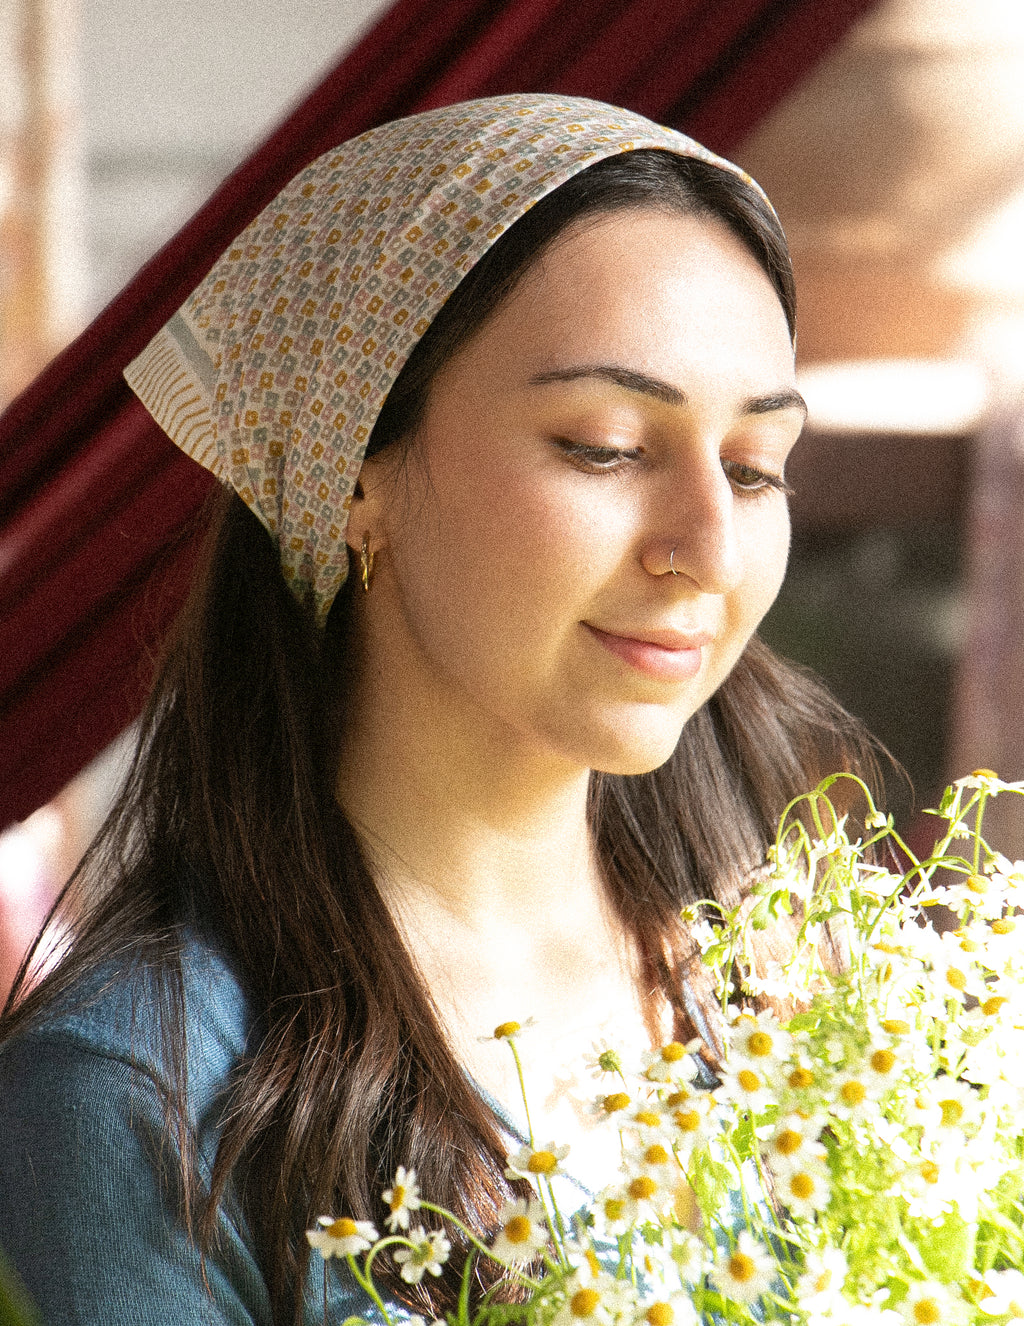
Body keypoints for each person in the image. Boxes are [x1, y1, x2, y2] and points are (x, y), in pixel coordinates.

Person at [0, 93, 876, 1326]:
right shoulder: (142, 1096)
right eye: (605, 444)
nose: (710, 548)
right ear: (355, 471)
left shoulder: (824, 988)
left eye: (753, 467)